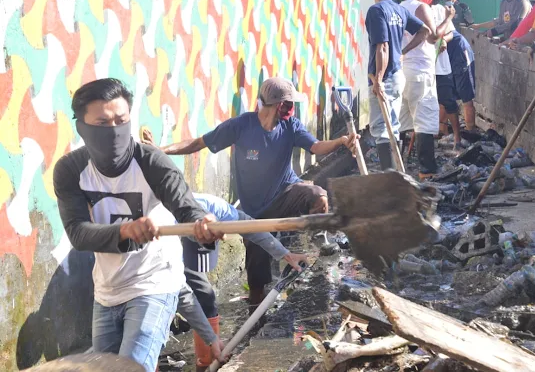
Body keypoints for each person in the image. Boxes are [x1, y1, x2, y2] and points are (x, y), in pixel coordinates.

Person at [52, 79, 223, 372]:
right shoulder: (70, 170)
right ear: (82, 127)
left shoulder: (152, 162)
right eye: (102, 123)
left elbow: (186, 207)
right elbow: (78, 233)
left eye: (121, 121)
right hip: (107, 291)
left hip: (153, 283)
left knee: (131, 367)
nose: (114, 130)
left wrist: (203, 226)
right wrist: (124, 231)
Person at [144, 77, 358, 309]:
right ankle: (256, 313)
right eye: (288, 104)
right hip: (254, 210)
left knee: (317, 196)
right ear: (278, 105)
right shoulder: (241, 126)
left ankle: (318, 238)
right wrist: (160, 151)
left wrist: (341, 142)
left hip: (285, 192)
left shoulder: (291, 126)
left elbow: (316, 147)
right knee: (256, 275)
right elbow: (198, 143)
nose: (291, 109)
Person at [140, 129, 306, 371]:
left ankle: (207, 360)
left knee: (202, 295)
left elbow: (250, 227)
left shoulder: (213, 207)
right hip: (149, 262)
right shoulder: (162, 219)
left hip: (178, 245)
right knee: (179, 301)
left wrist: (285, 254)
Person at [366, 0, 432, 170]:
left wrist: (377, 79)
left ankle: (391, 177)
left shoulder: (376, 11)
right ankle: (396, 175)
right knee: (392, 126)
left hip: (384, 76)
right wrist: (402, 51)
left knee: (381, 129)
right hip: (397, 74)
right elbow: (425, 31)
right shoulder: (399, 10)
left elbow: (382, 46)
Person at [398, 0, 454, 179]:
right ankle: (426, 170)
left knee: (403, 121)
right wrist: (448, 18)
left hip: (404, 70)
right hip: (420, 70)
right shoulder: (420, 7)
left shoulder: (400, 7)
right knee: (424, 121)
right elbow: (433, 37)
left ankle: (397, 167)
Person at [432, 0, 462, 146]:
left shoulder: (440, 10)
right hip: (424, 67)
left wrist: (445, 39)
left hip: (441, 67)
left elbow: (451, 32)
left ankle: (457, 138)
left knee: (449, 102)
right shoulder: (418, 9)